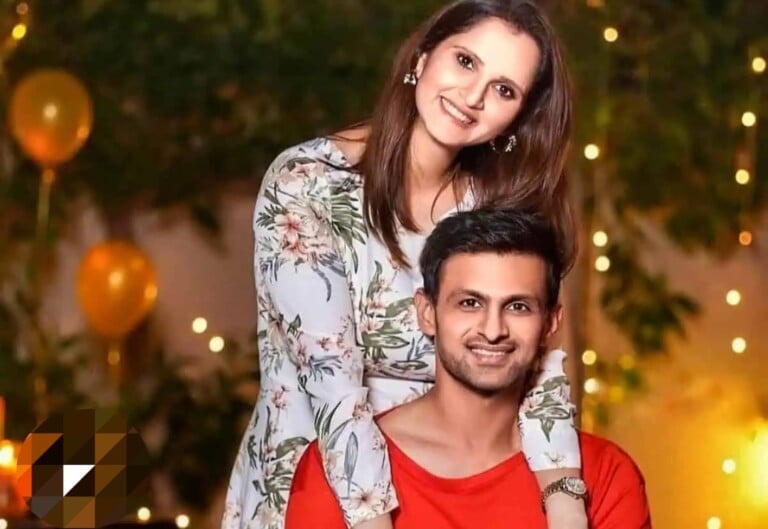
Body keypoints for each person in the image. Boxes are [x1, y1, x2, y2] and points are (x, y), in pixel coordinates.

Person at [222, 2, 587, 529]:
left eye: (504, 89)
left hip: (447, 496)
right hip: (315, 491)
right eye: (465, 61)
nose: (473, 96)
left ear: (519, 116)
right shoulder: (308, 183)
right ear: (422, 56)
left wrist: (565, 503)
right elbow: (332, 384)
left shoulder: (497, 209)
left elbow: (539, 369)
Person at [285, 208, 652, 529]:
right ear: (427, 312)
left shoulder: (604, 474)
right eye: (470, 303)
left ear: (551, 323)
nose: (493, 330)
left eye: (518, 307)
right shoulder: (340, 468)